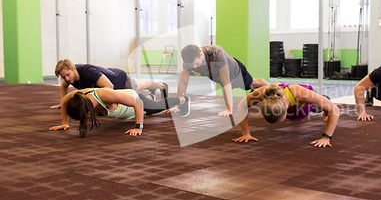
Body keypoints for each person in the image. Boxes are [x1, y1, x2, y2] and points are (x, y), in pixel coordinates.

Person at [50, 84, 190, 138]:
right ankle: (151, 96)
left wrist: (138, 127)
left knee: (157, 107)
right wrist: (64, 123)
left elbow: (138, 103)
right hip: (126, 103)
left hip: (135, 100)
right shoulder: (79, 96)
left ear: (87, 109)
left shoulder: (104, 96)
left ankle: (183, 100)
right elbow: (64, 101)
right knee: (153, 104)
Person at [232, 82, 340, 148]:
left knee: (321, 108)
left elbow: (335, 109)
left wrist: (326, 138)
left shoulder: (303, 95)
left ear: (287, 109)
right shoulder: (263, 93)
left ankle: (325, 101)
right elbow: (242, 105)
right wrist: (245, 133)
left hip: (304, 106)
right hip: (289, 103)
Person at [174, 44, 269, 117]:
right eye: (191, 65)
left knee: (252, 84)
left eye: (195, 64)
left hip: (236, 72)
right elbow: (183, 83)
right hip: (218, 76)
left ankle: (275, 86)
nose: (194, 67)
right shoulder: (188, 61)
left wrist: (229, 109)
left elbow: (226, 83)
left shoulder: (216, 54)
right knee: (251, 88)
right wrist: (178, 104)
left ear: (201, 54)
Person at [51, 59, 164, 109]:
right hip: (111, 76)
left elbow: (109, 87)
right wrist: (62, 102)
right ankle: (152, 93)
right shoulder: (69, 78)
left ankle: (161, 85)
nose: (66, 79)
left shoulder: (88, 72)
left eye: (67, 75)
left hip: (119, 80)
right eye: (63, 77)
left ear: (73, 68)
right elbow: (63, 87)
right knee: (139, 85)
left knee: (140, 86)